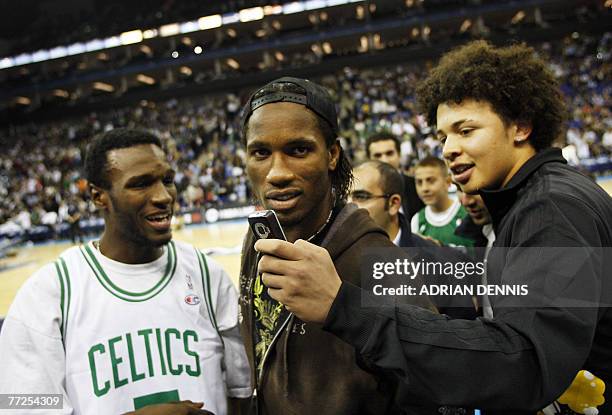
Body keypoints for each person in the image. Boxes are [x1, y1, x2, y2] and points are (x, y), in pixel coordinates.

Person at [253, 41, 612, 413]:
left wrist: (344, 307)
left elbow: (522, 365)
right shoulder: (530, 202)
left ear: (520, 126)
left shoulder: (552, 207)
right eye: (443, 137)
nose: (448, 149)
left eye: (466, 130)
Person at [0, 129, 250, 415]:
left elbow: (241, 391)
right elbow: (19, 404)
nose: (163, 196)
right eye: (141, 184)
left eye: (167, 180)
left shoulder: (208, 276)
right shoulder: (49, 294)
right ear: (98, 196)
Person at [239, 76, 433, 414]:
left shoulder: (378, 258)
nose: (277, 173)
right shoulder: (258, 239)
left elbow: (434, 381)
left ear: (332, 155)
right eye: (261, 152)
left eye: (298, 150)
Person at [411, 156, 473, 249]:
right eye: (419, 182)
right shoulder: (417, 220)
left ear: (448, 182)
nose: (424, 188)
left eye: (431, 180)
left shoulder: (469, 213)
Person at [365, 132, 424, 219]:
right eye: (378, 155)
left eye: (389, 153)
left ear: (399, 154)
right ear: (369, 160)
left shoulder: (417, 186)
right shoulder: (364, 194)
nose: (384, 160)